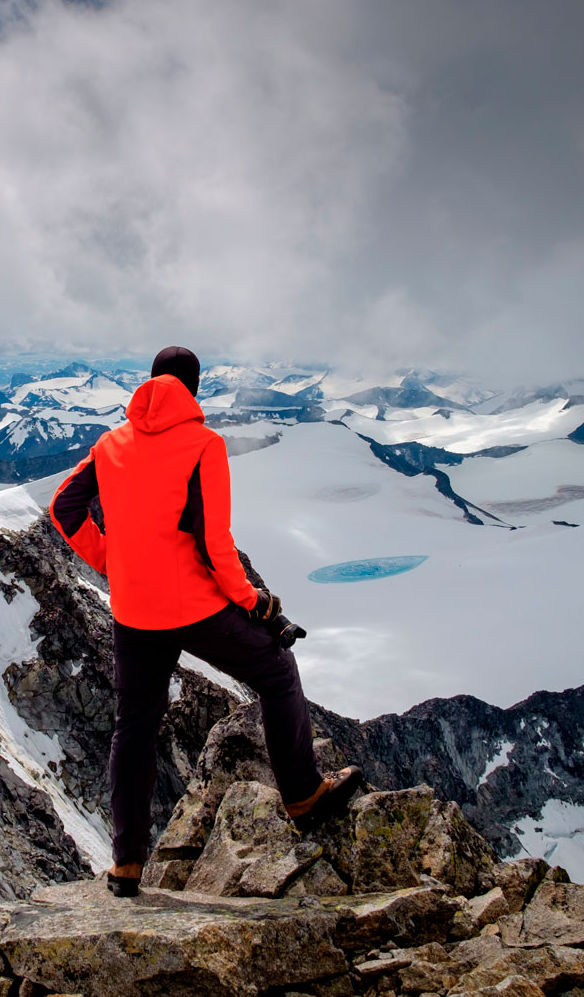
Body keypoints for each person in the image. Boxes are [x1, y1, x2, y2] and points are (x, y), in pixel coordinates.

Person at [49, 345, 360, 898]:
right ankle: (303, 794)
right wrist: (252, 600)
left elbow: (63, 509)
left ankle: (125, 864)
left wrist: (112, 563)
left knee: (135, 726)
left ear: (149, 385)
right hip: (193, 609)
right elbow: (216, 546)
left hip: (133, 612)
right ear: (194, 389)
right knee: (276, 671)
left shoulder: (110, 443)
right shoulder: (204, 444)